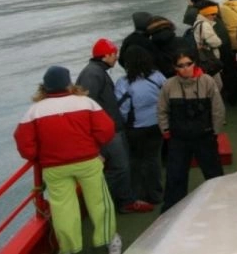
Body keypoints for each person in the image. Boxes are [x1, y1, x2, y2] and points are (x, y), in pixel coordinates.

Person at [14, 66, 122, 254]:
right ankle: (106, 241)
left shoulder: (34, 111)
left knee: (63, 210)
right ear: (68, 84)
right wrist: (94, 146)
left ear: (45, 87)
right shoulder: (86, 103)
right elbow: (106, 131)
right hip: (87, 162)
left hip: (54, 167)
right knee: (99, 202)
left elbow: (25, 146)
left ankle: (71, 249)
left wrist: (39, 156)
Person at [76, 38, 154, 214]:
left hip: (109, 129)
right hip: (108, 131)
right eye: (114, 54)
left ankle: (118, 199)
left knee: (119, 166)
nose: (116, 58)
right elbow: (88, 102)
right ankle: (111, 201)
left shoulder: (95, 72)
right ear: (107, 55)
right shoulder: (93, 74)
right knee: (120, 167)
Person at [158, 49, 225, 212]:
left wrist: (215, 131)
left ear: (194, 63)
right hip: (179, 139)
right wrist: (166, 131)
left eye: (188, 64)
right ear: (175, 68)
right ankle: (172, 210)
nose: (185, 68)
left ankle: (222, 203)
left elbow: (218, 109)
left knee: (214, 173)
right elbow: (162, 110)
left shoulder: (207, 81)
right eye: (181, 66)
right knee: (175, 176)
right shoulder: (169, 85)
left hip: (205, 136)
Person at [115, 45, 167, 205]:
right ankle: (156, 193)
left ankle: (137, 195)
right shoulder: (157, 77)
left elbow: (122, 108)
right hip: (156, 124)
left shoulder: (124, 83)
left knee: (136, 161)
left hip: (135, 128)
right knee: (153, 159)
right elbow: (167, 97)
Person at [192, 0, 224, 90]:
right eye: (213, 14)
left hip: (203, 57)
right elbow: (216, 42)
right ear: (206, 14)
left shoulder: (196, 22)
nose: (215, 16)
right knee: (217, 85)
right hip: (210, 58)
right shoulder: (205, 25)